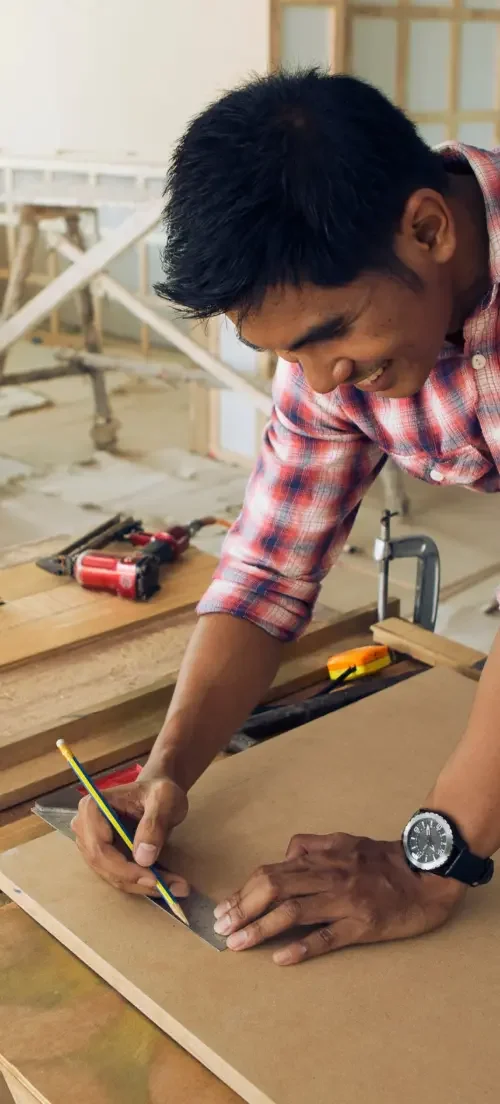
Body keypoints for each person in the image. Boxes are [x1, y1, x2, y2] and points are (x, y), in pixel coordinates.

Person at [74, 69, 500, 966]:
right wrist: (166, 770)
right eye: (284, 353)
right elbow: (268, 571)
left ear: (428, 228)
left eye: (329, 335)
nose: (319, 382)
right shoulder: (337, 352)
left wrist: (435, 863)